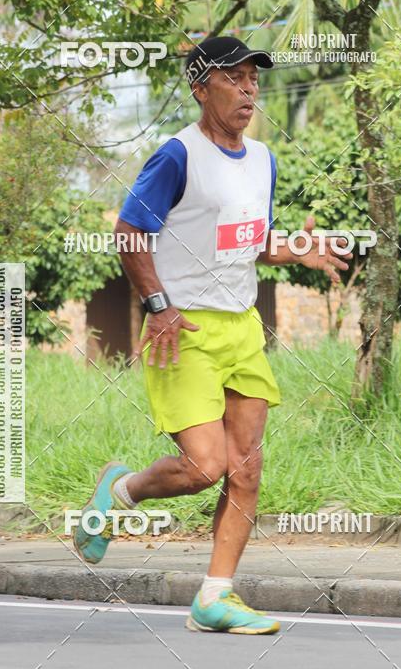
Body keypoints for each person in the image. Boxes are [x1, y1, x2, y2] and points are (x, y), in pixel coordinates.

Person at [72, 36, 350, 634]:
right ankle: (119, 490)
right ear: (201, 88)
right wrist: (158, 305)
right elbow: (128, 232)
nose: (250, 88)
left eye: (254, 78)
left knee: (246, 467)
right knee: (205, 467)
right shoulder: (177, 156)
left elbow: (252, 244)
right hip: (184, 328)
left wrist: (299, 250)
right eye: (235, 77)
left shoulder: (263, 160)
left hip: (242, 327)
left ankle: (215, 596)